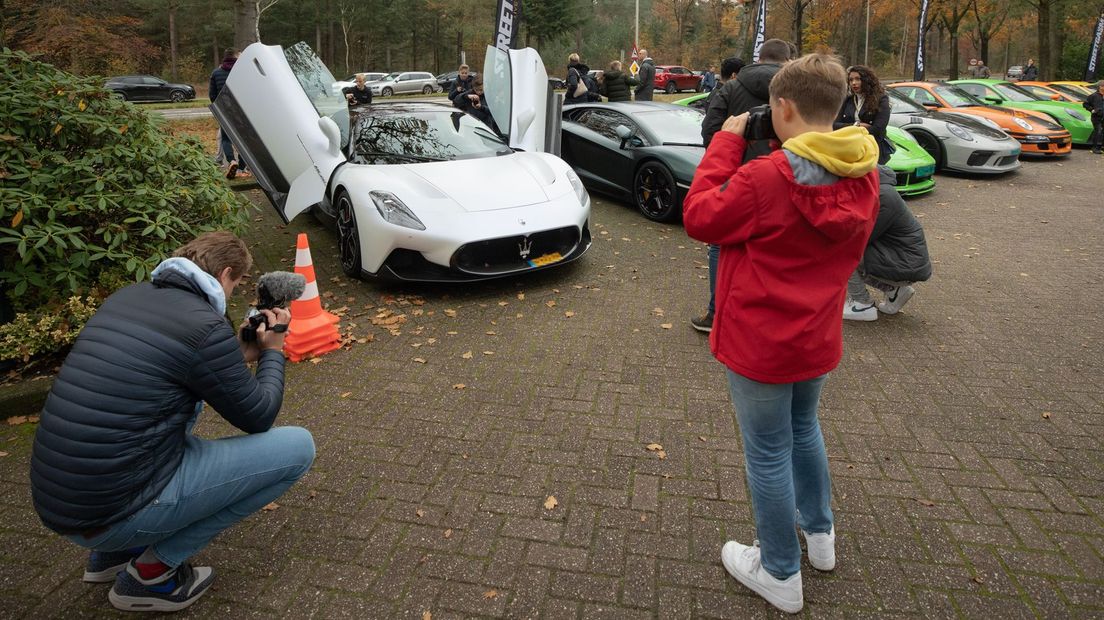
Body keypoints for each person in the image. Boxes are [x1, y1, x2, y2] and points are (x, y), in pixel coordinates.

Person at [682, 53, 880, 614]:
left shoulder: (765, 177)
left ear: (783, 106)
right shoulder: (864, 171)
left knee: (768, 452)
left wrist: (726, 141)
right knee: (804, 429)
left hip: (761, 343)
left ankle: (778, 571)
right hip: (815, 337)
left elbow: (700, 217)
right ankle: (820, 539)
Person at [29, 231, 315, 612]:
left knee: (175, 406)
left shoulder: (128, 298)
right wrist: (273, 352)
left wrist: (240, 352)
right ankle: (151, 573)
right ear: (226, 273)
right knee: (297, 449)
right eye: (237, 283)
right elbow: (259, 416)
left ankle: (112, 554)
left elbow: (177, 367)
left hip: (64, 502)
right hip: (112, 512)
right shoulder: (203, 326)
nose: (234, 293)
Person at [692, 39, 790, 333]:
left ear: (758, 58)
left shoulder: (731, 88)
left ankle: (716, 313)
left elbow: (709, 130)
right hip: (783, 175)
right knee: (775, 244)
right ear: (786, 61)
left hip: (735, 175)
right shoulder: (795, 91)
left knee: (720, 244)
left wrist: (730, 152)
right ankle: (769, 315)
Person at [843, 165, 933, 321]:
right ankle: (894, 291)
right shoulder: (881, 190)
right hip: (901, 257)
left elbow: (862, 236)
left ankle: (861, 304)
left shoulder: (883, 197)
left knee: (844, 255)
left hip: (906, 262)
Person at [834, 65, 892, 166]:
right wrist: (856, 126)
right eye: (851, 80)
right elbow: (835, 125)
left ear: (867, 80)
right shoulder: (848, 100)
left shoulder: (881, 99)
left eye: (858, 79)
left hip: (873, 151)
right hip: (850, 150)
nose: (854, 83)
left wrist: (848, 129)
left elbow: (879, 128)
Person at [209, 49, 249, 179]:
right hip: (240, 110)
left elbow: (212, 95)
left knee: (226, 139)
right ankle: (242, 169)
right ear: (235, 58)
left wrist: (220, 107)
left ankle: (231, 161)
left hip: (225, 110)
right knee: (243, 140)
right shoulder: (242, 72)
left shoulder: (216, 73)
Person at [1085, 81, 1104, 155]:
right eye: (1103, 86)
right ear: (1100, 87)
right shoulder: (1094, 96)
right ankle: (1094, 148)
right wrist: (1092, 110)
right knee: (1098, 131)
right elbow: (1085, 104)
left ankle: (1101, 147)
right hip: (1097, 117)